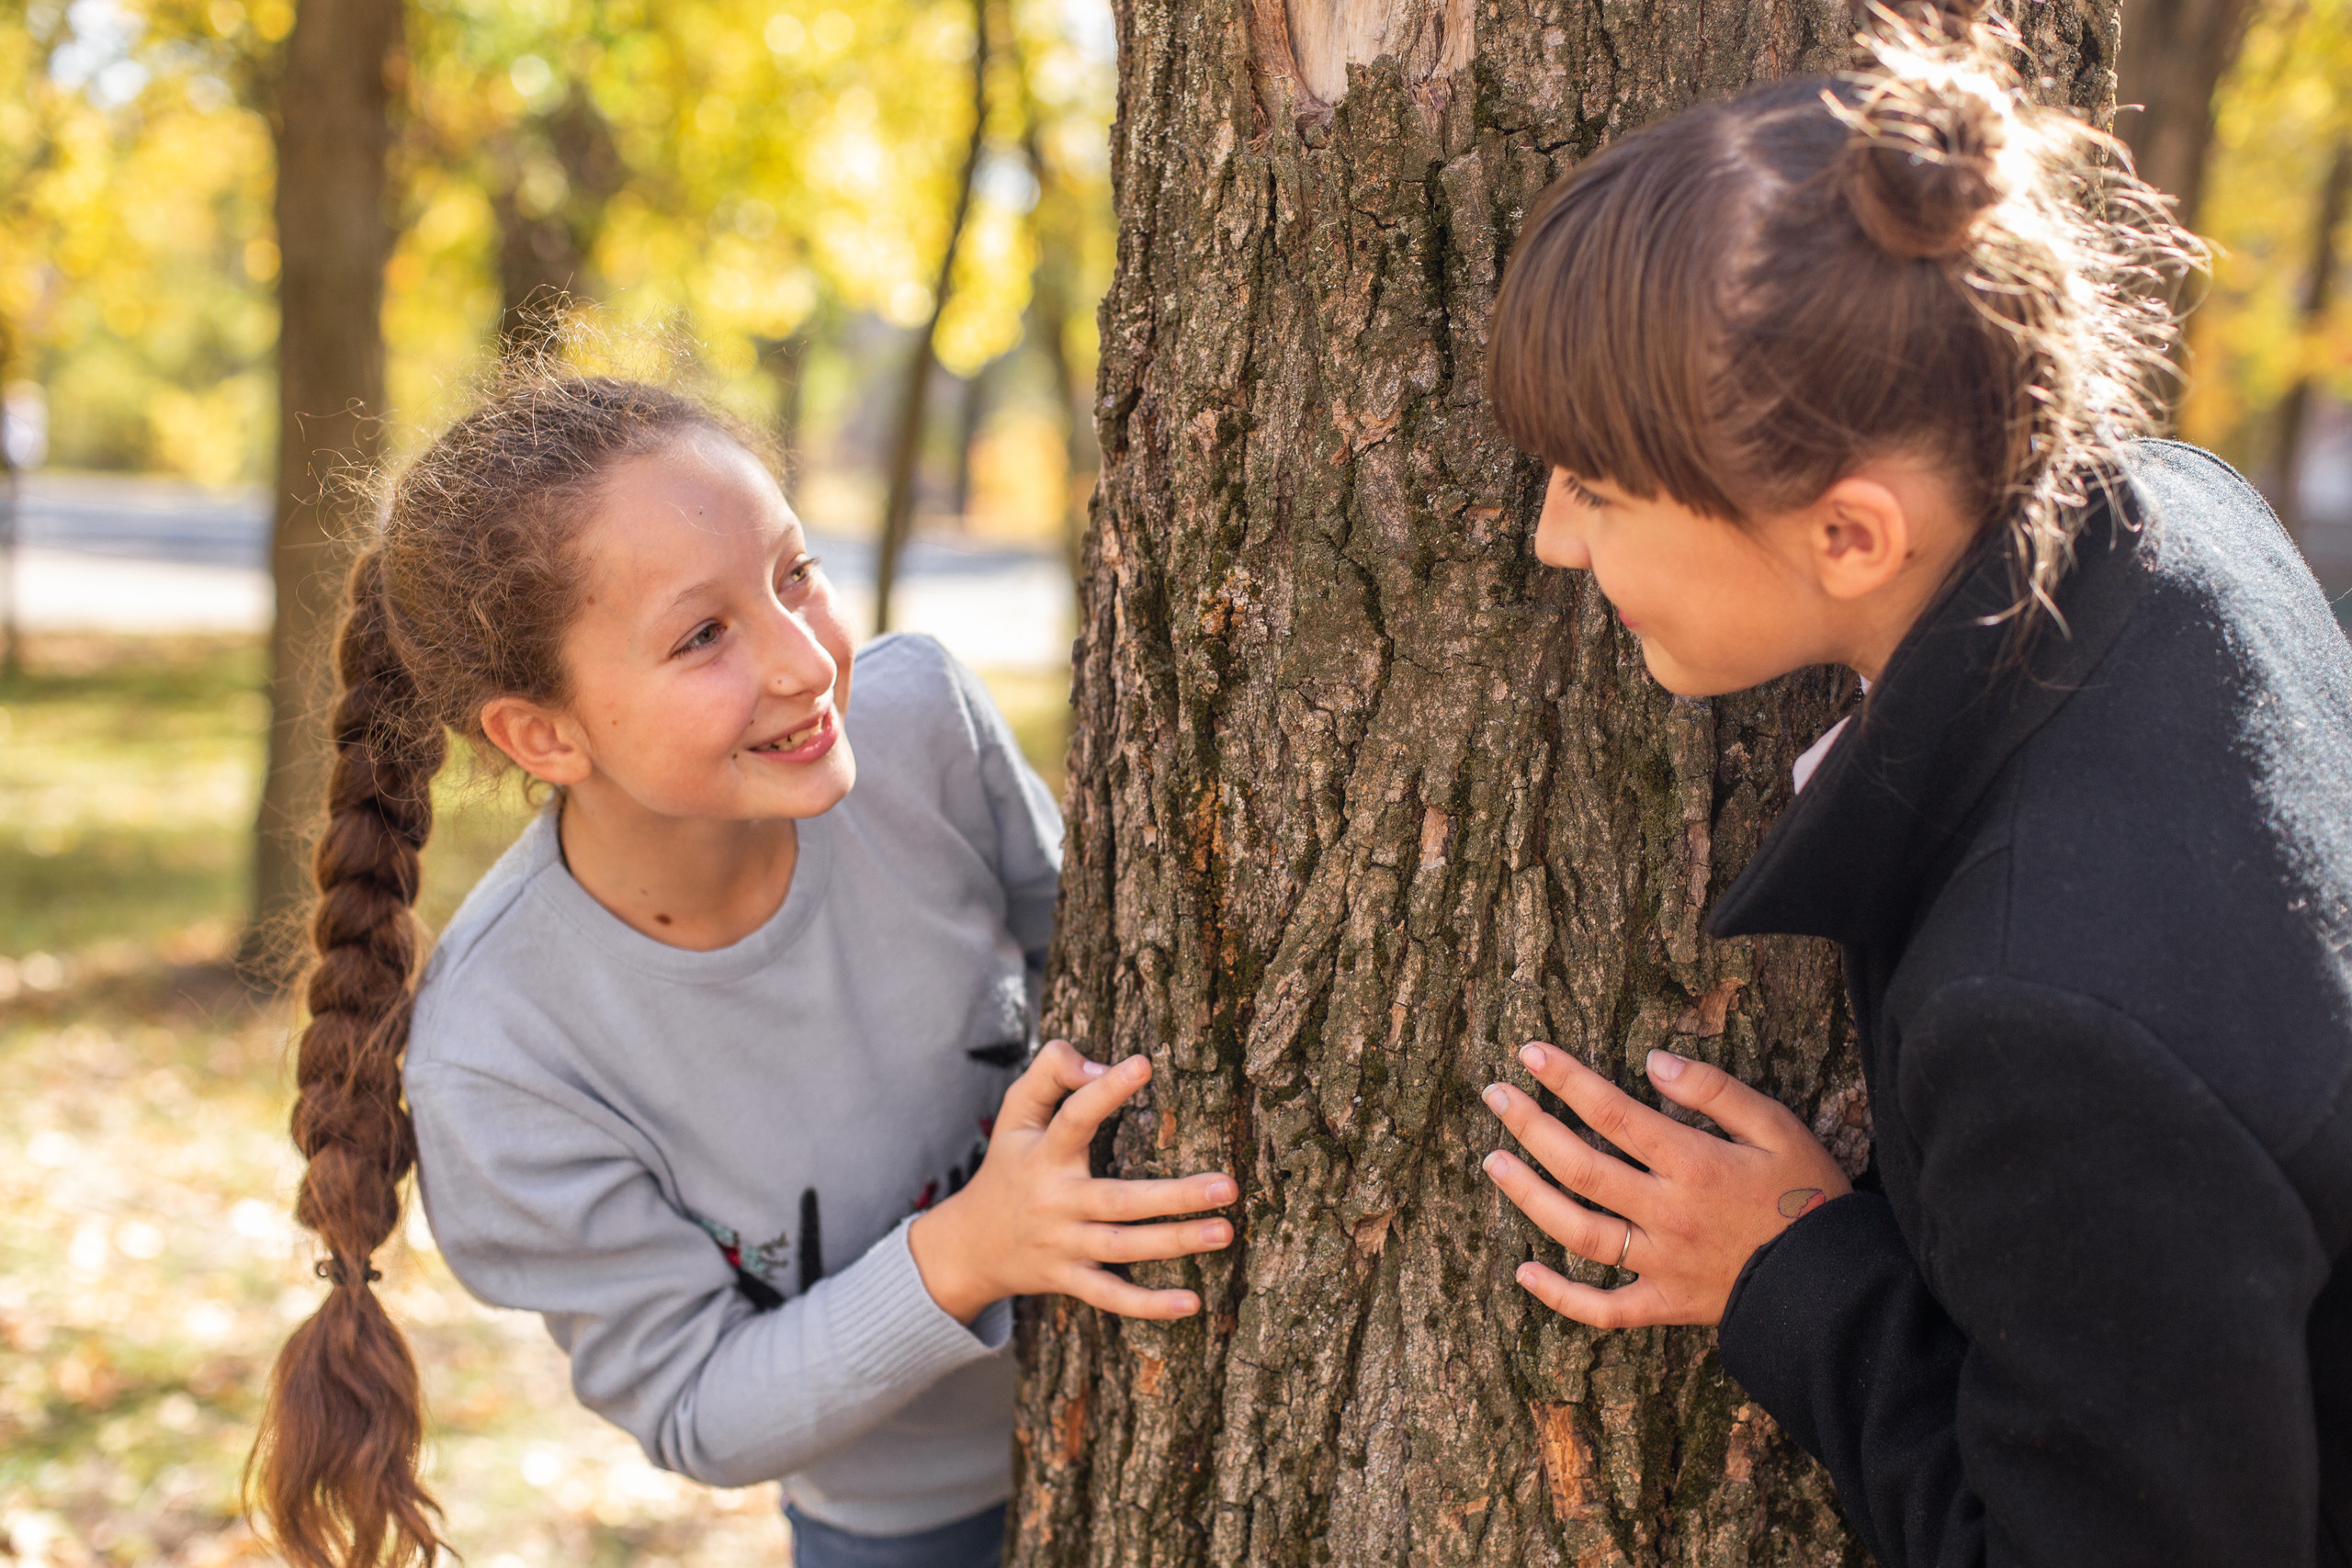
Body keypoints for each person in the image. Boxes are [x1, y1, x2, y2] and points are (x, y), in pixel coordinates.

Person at [1473, 6, 2352, 1566]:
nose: (1554, 539)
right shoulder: (2176, 513)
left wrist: (1801, 1277)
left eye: (1600, 488)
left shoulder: (2047, 1020)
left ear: (1852, 537)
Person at [245, 374, 1239, 1568]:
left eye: (795, 575)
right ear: (543, 735)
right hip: (910, 1526)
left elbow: (1096, 949)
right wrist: (972, 1249)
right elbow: (696, 1405)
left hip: (1196, 1408)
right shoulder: (502, 1051)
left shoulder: (920, 724)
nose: (803, 661)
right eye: (703, 634)